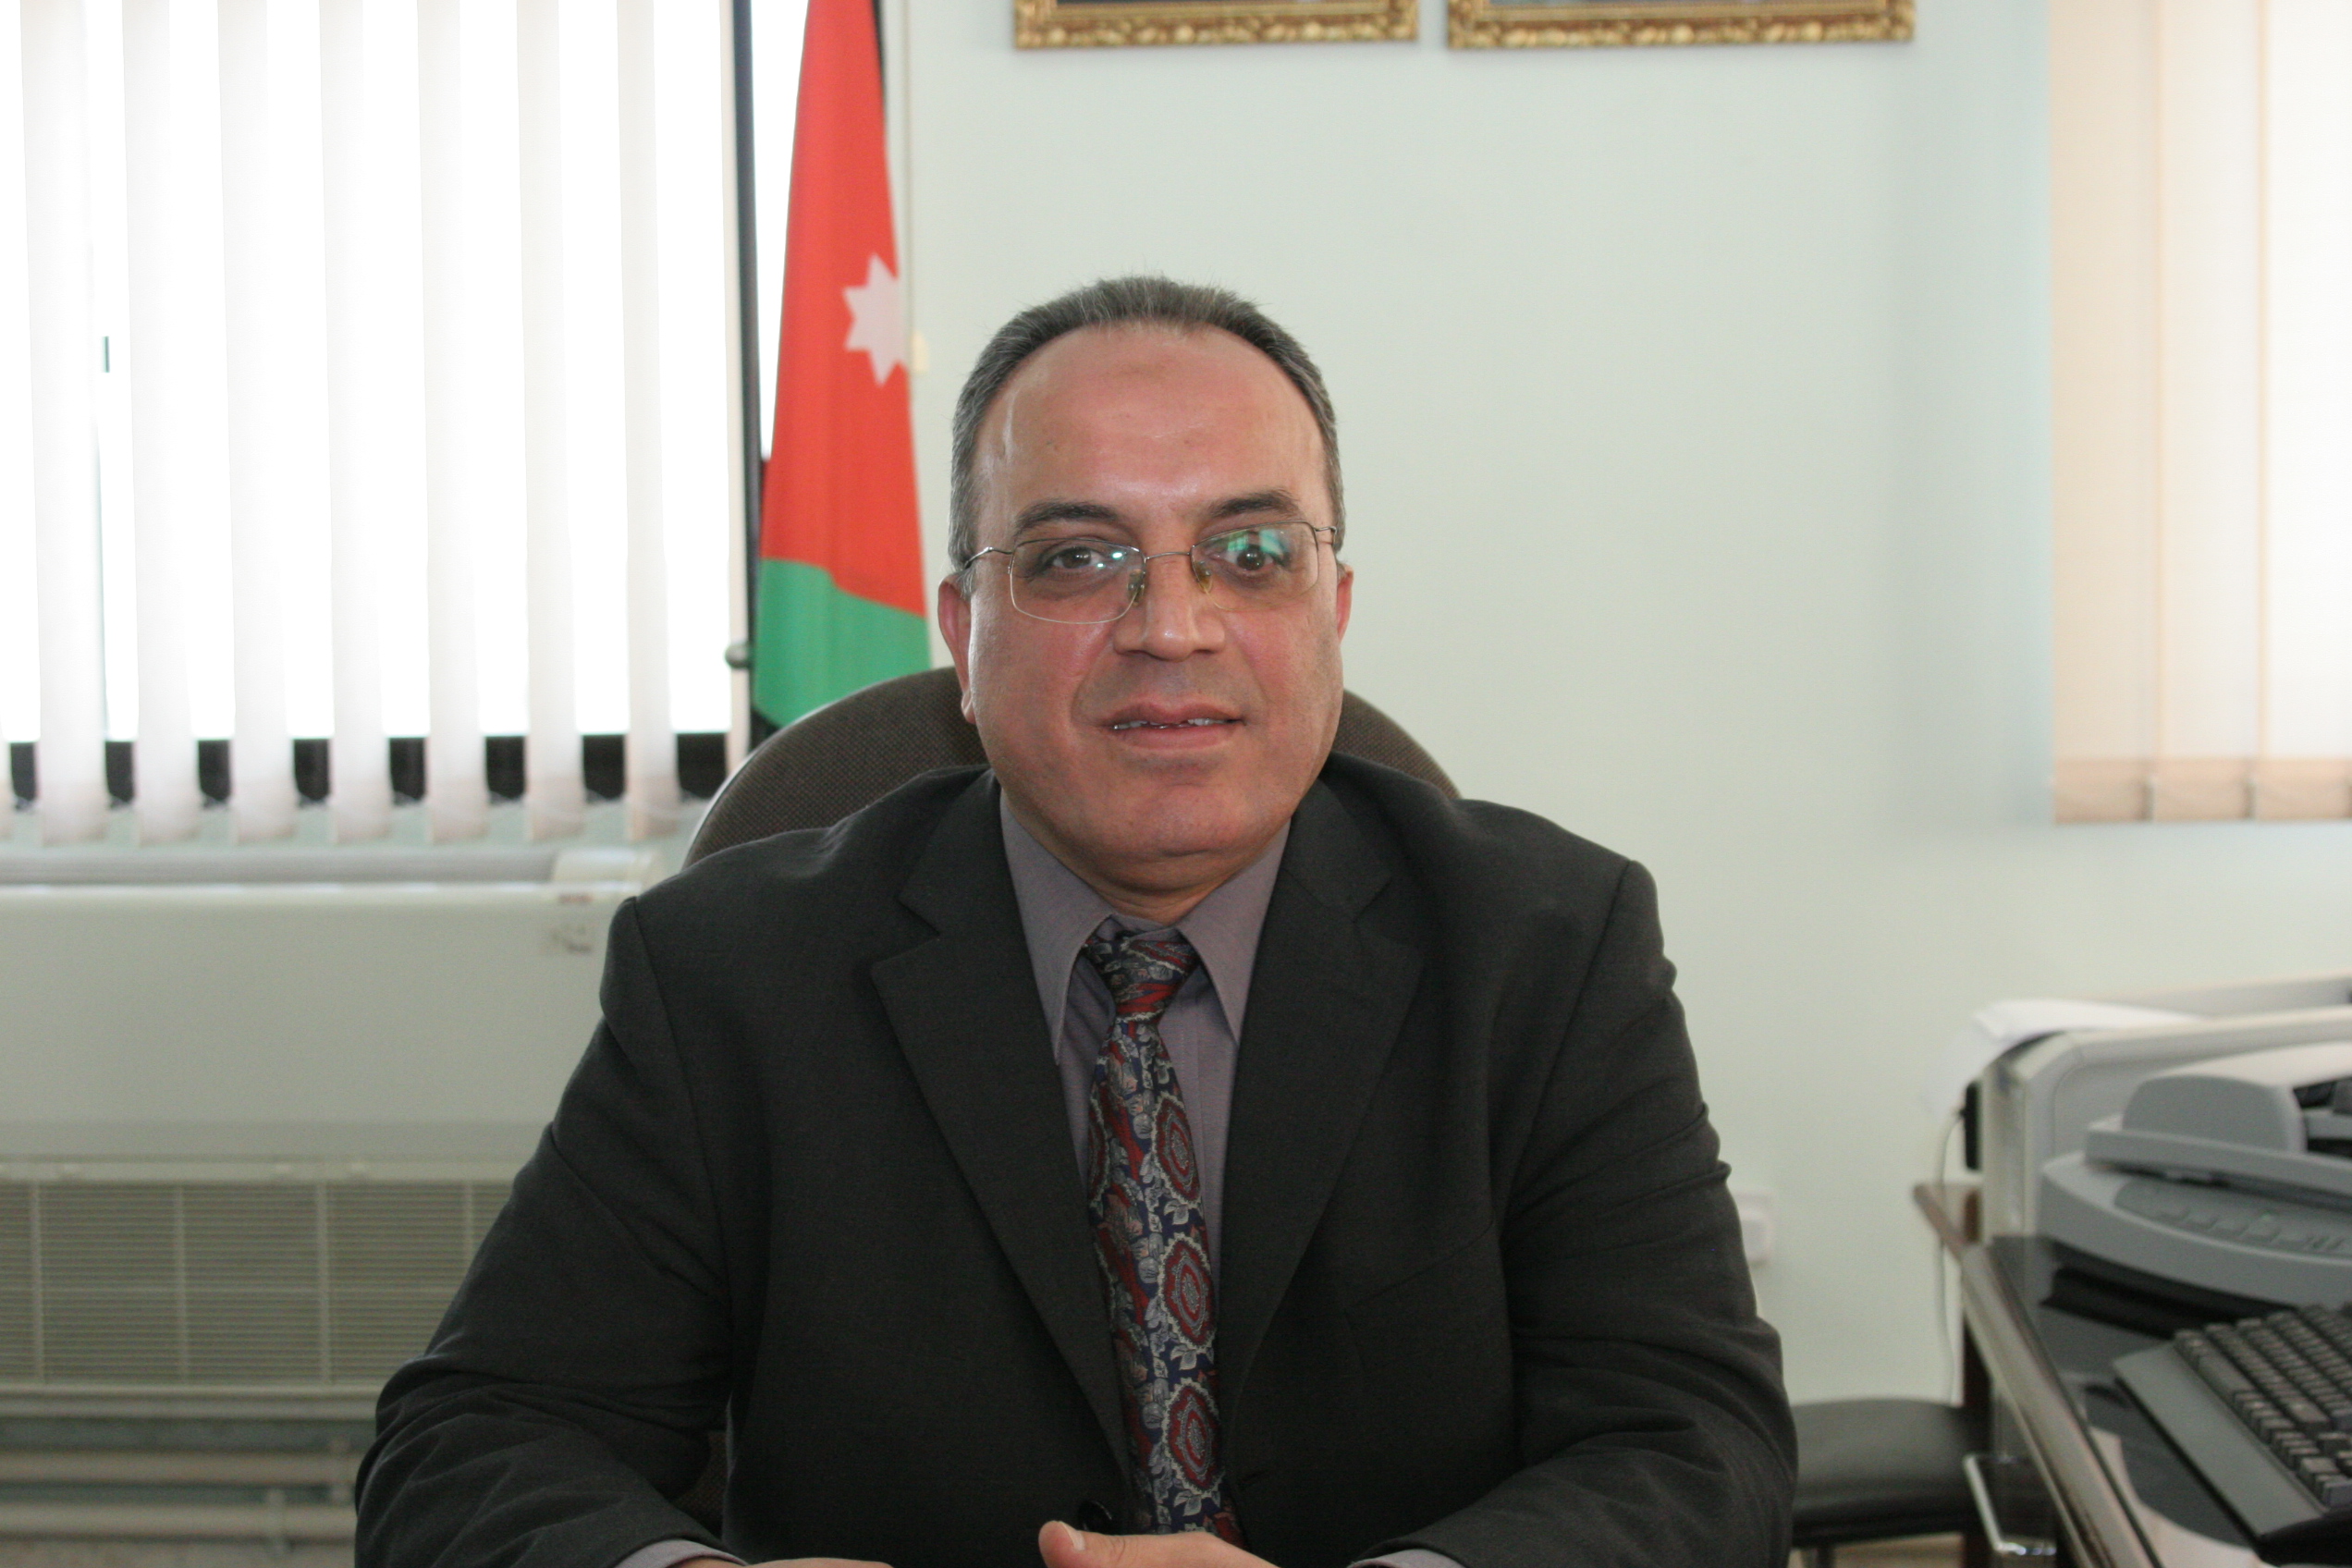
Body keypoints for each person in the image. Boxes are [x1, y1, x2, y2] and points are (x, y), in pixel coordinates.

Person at [355, 277, 1795, 1568]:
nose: (1172, 624)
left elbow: (1692, 1444)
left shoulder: (1549, 949)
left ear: (1335, 610)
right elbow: (475, 1446)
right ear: (960, 632)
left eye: (1250, 551)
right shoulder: (729, 976)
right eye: (1076, 558)